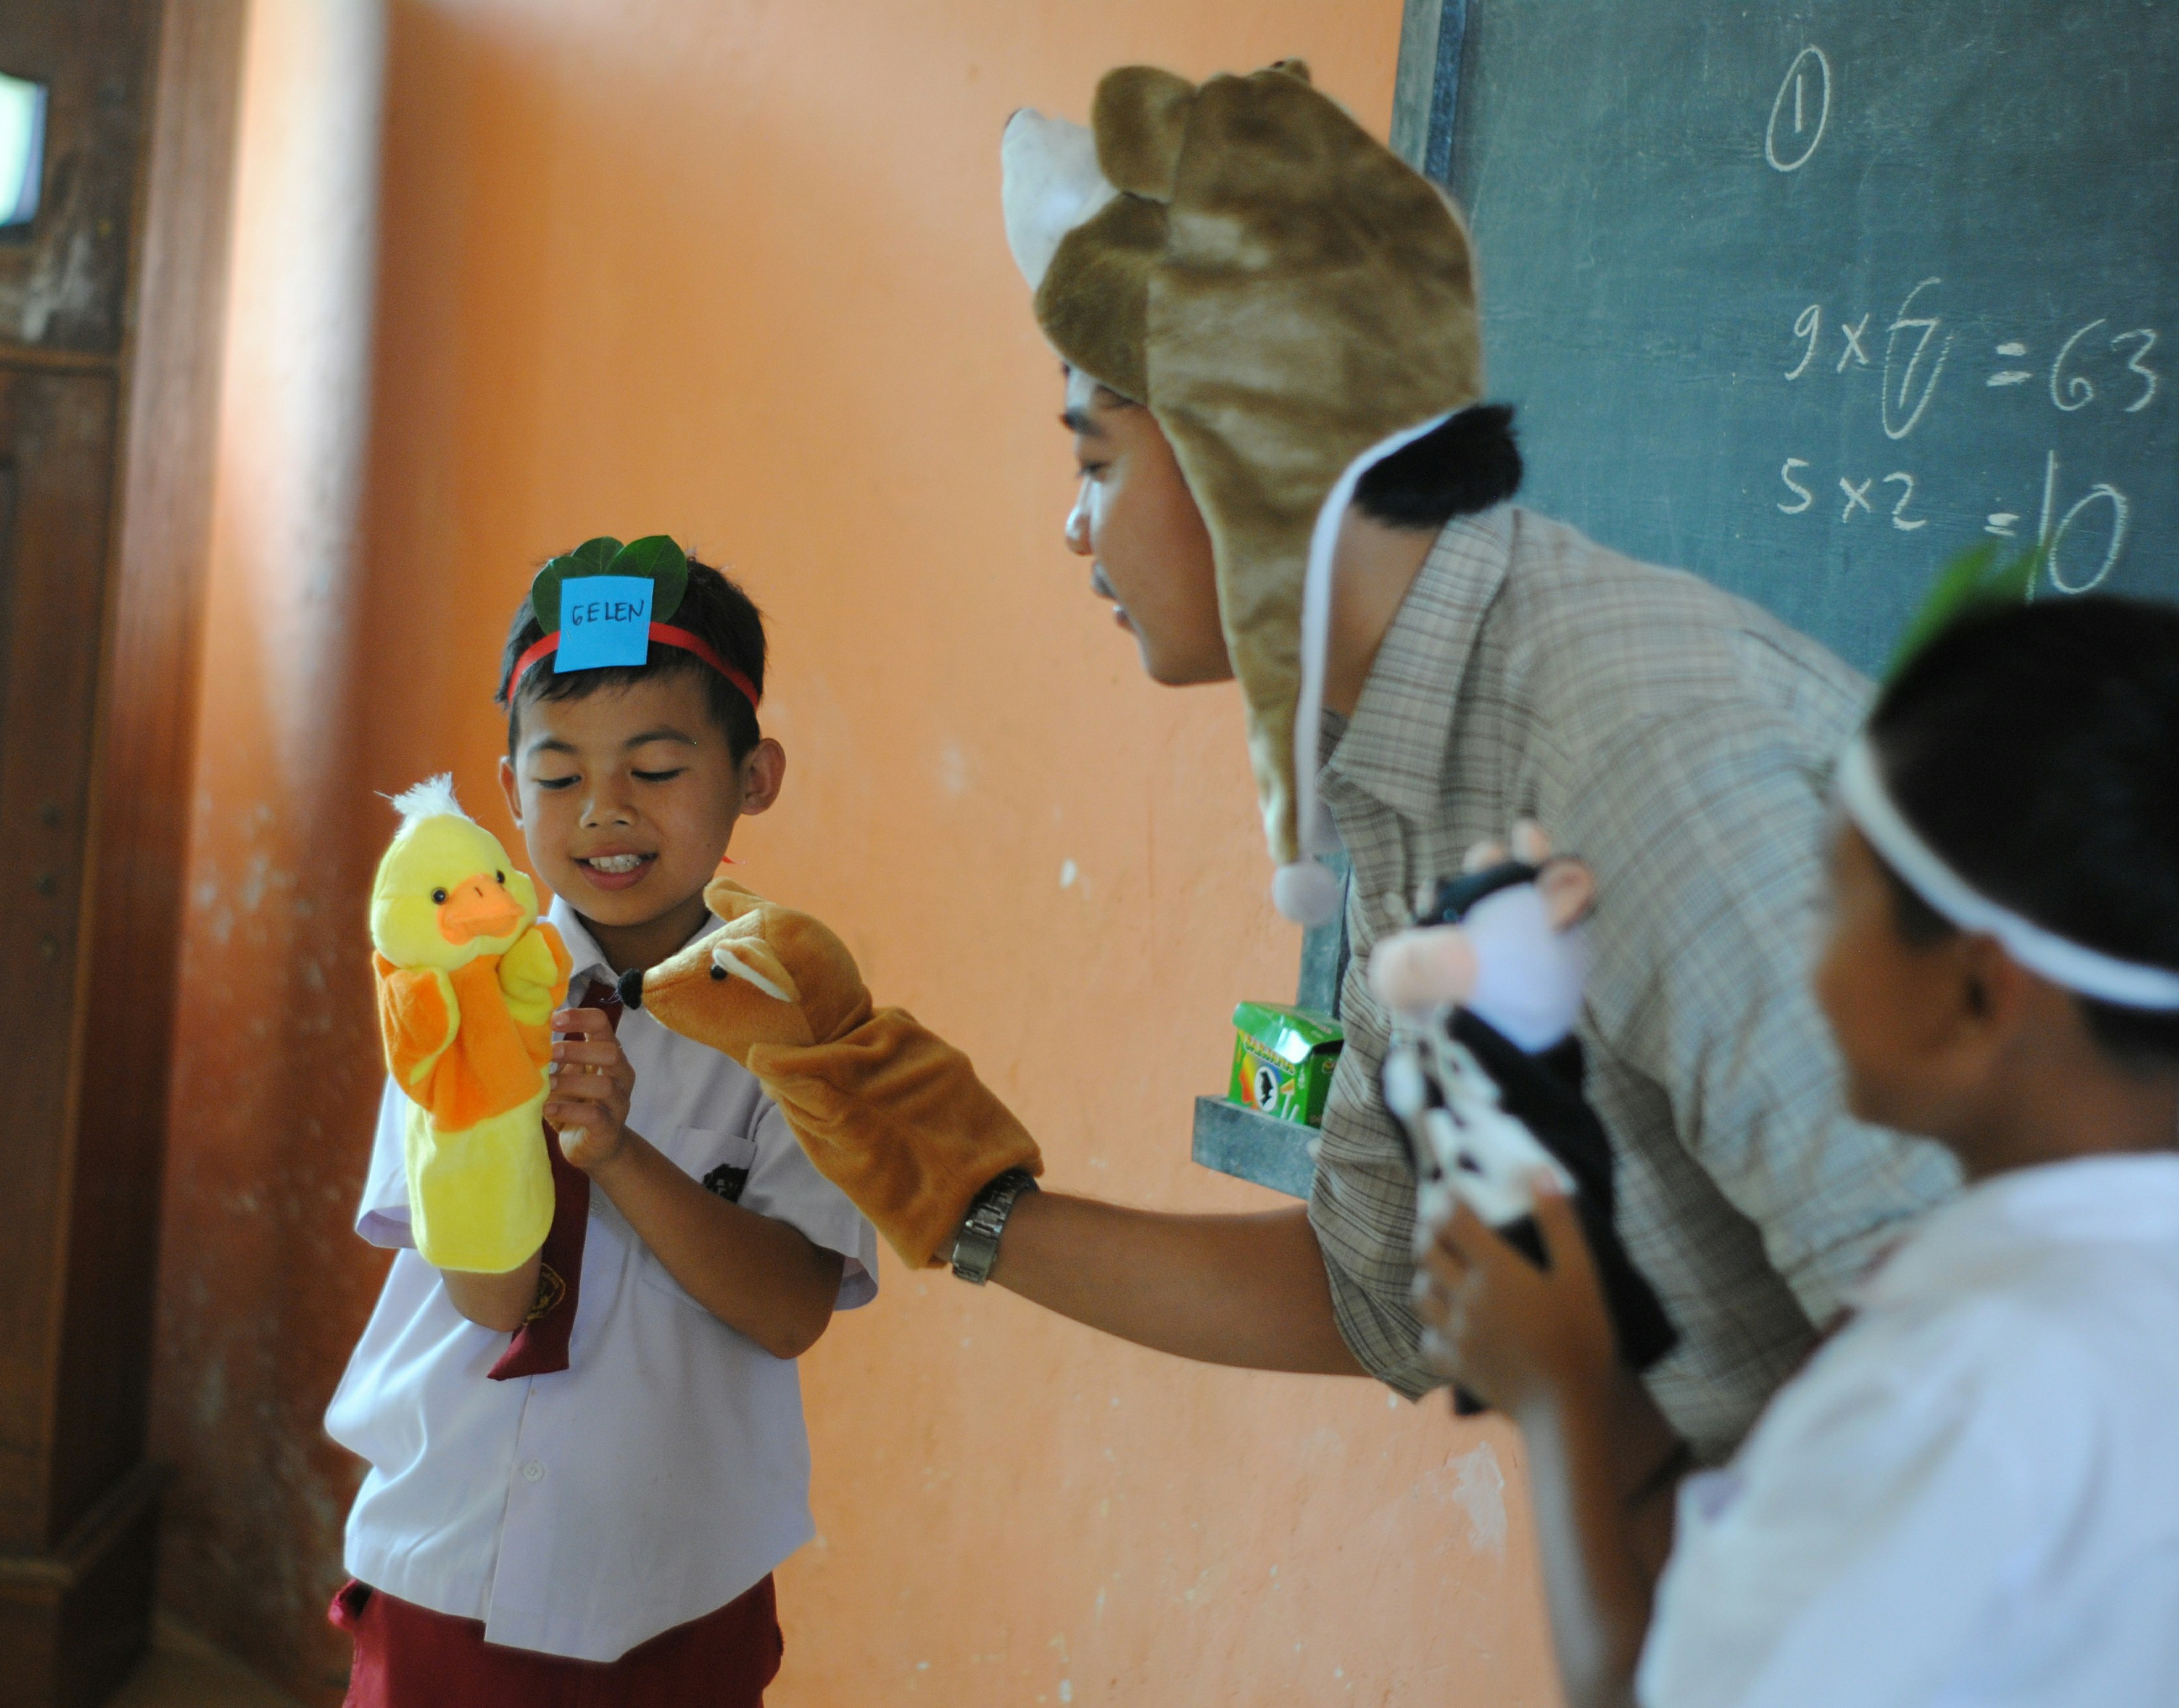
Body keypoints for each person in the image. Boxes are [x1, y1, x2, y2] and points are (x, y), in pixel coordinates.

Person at [837, 58, 1954, 1462]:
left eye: (1098, 460)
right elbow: (1383, 1300)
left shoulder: (1627, 753)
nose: (1075, 529)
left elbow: (1970, 1367)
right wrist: (969, 1207)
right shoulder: (1410, 774)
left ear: (1248, 448)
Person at [1411, 595, 2179, 1708]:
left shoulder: (1964, 1382)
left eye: (1831, 900)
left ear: (1974, 993)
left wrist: (1562, 1400)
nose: (1807, 956)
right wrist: (1593, 1336)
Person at [322, 550, 879, 1707]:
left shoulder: (797, 1016)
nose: (606, 812)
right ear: (509, 789)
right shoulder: (453, 992)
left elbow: (791, 1310)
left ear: (755, 776)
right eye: (560, 774)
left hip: (678, 1591)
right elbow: (483, 1297)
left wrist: (619, 1155)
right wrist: (505, 1117)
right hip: (448, 1558)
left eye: (659, 767)